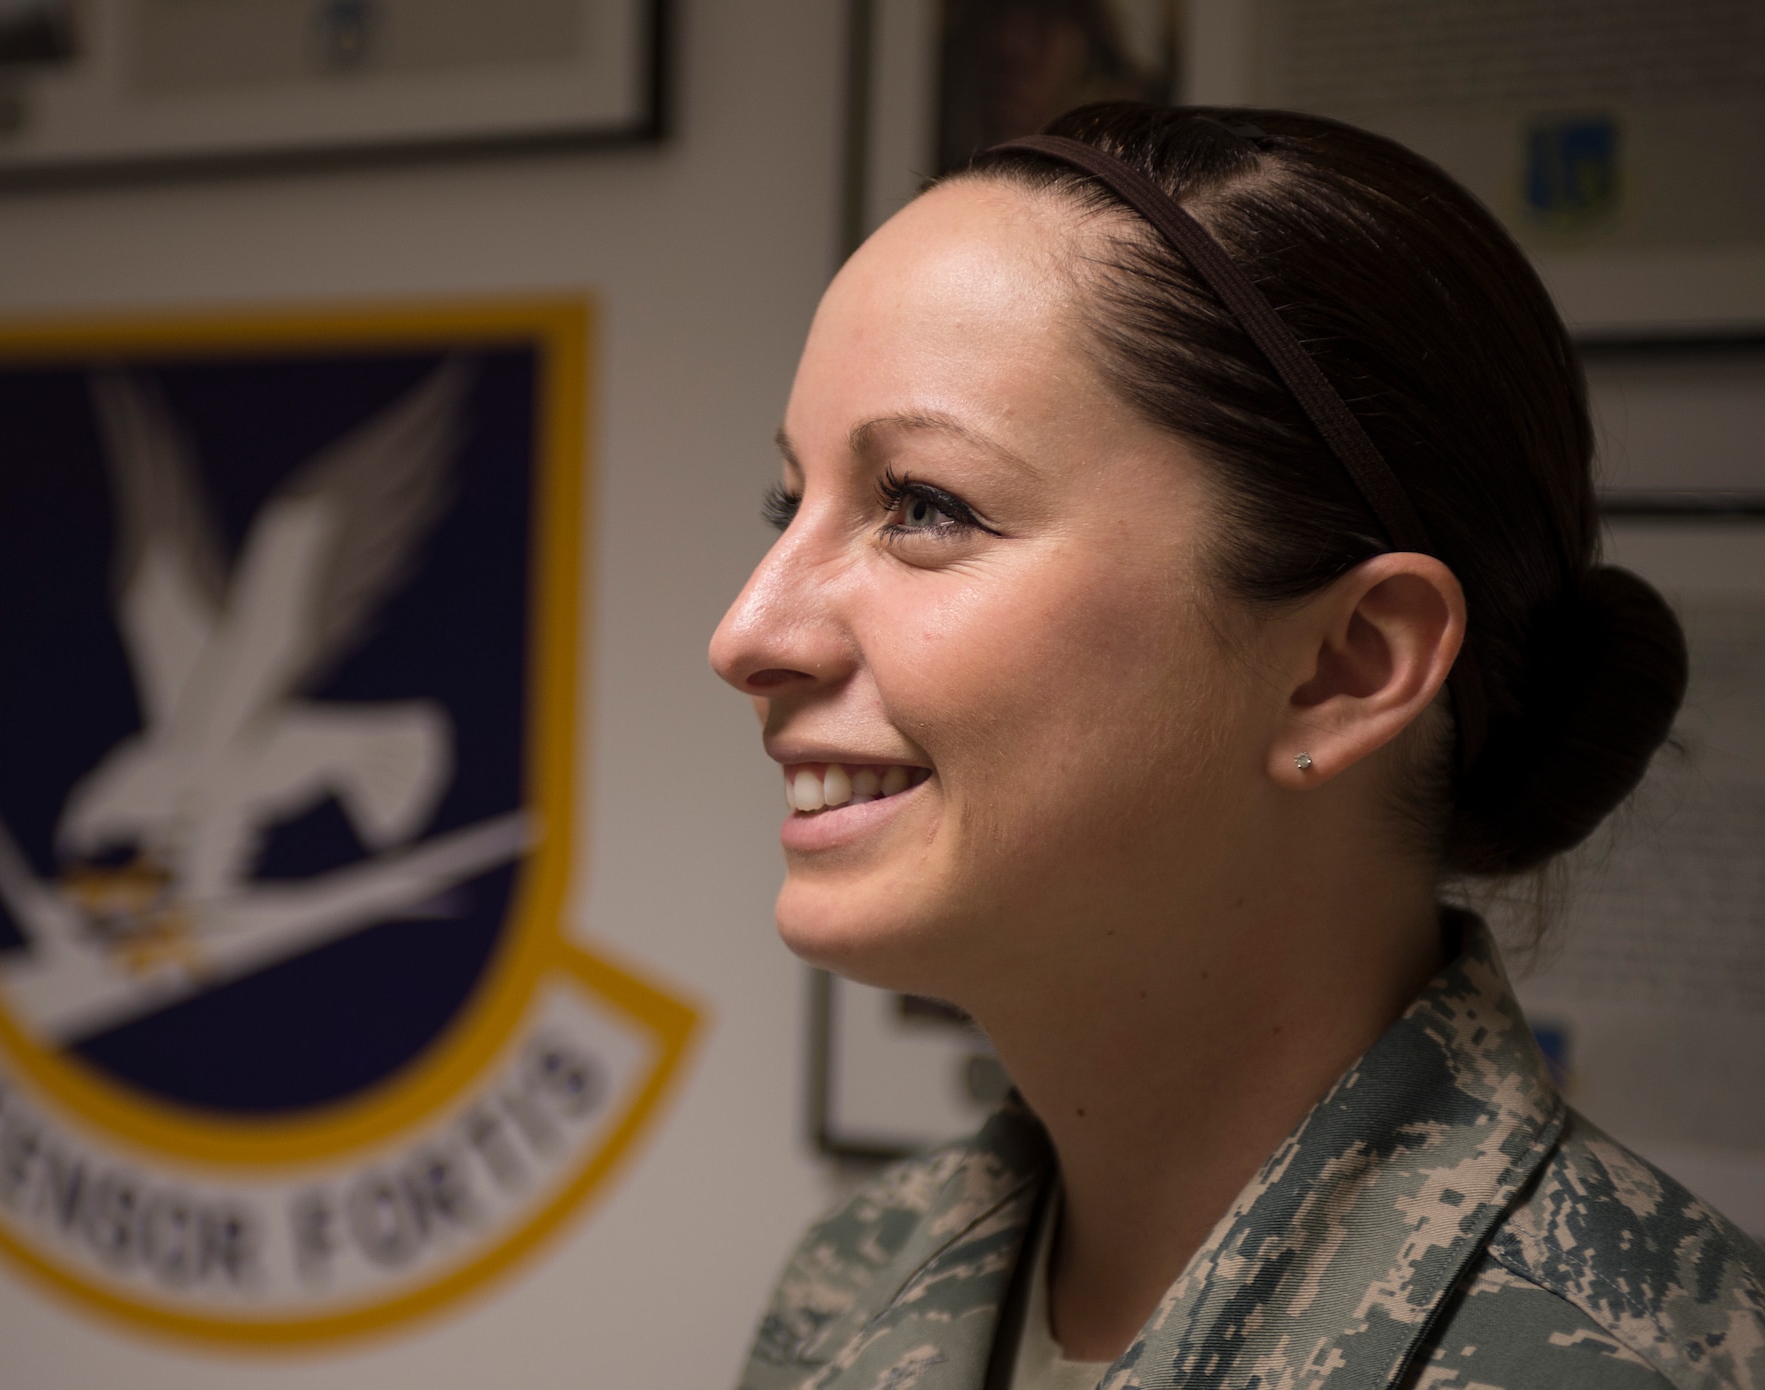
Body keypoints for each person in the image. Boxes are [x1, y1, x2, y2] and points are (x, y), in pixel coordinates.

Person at [710, 103, 1765, 1390]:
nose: (746, 631)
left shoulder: (1630, 1363)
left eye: (924, 507)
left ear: (1345, 666)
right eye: (788, 500)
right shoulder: (853, 1285)